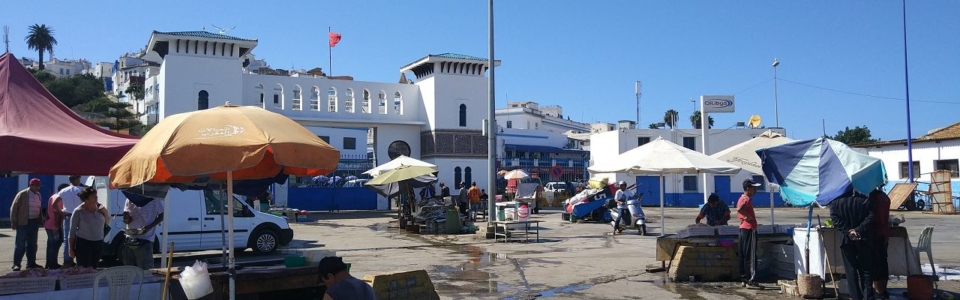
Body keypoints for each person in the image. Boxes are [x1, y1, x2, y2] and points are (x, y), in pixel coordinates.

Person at [831, 190, 877, 300]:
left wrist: (848, 231)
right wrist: (857, 230)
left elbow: (835, 219)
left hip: (846, 240)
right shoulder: (864, 199)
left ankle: (855, 296)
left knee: (850, 270)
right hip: (863, 238)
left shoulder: (836, 202)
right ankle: (868, 296)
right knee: (866, 270)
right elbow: (871, 216)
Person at [10, 178, 46, 271]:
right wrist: (14, 221)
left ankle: (31, 263)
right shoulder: (22, 194)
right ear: (31, 185)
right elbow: (14, 208)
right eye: (36, 186)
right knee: (20, 244)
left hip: (34, 223)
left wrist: (40, 220)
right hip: (23, 222)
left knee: (32, 244)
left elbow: (39, 208)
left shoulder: (38, 195)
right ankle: (16, 264)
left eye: (39, 186)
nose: (38, 188)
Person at [122, 198, 164, 270]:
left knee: (145, 270)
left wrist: (148, 227)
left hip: (145, 239)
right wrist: (126, 218)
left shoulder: (154, 199)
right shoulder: (129, 198)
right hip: (130, 238)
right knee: (129, 270)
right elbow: (127, 220)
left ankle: (145, 281)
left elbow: (162, 216)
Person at [68, 187, 106, 268]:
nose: (96, 197)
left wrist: (105, 212)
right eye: (93, 196)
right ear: (86, 199)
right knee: (83, 268)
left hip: (98, 242)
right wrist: (71, 248)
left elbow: (106, 223)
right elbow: (72, 231)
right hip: (84, 243)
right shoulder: (78, 211)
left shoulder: (100, 209)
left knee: (94, 267)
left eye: (96, 195)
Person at [737, 179, 763, 289]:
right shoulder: (746, 199)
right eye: (754, 188)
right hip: (749, 228)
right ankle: (750, 280)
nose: (755, 190)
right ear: (748, 189)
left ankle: (744, 278)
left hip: (743, 228)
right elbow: (739, 209)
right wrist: (749, 216)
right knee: (751, 256)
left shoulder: (741, 198)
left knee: (743, 255)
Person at [57, 175, 84, 267]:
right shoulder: (82, 190)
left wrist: (61, 212)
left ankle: (67, 260)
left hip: (68, 216)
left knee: (67, 239)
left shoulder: (63, 191)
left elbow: (54, 204)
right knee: (81, 239)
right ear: (76, 180)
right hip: (81, 216)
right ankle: (80, 259)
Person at [869, 189, 891, 300]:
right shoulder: (884, 197)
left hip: (875, 235)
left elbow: (872, 217)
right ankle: (883, 290)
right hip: (884, 234)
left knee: (876, 264)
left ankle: (879, 291)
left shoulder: (873, 199)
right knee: (883, 262)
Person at [44, 183, 70, 269]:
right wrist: (57, 226)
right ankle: (52, 264)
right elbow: (57, 213)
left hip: (49, 224)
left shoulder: (53, 196)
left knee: (51, 245)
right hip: (54, 225)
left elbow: (48, 211)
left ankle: (49, 263)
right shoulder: (60, 198)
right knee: (55, 245)